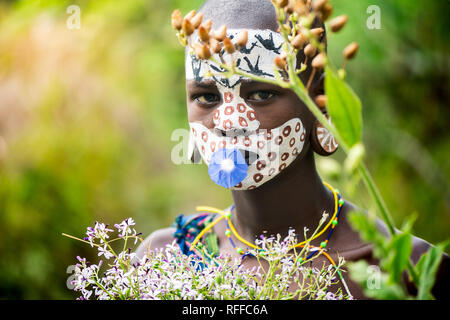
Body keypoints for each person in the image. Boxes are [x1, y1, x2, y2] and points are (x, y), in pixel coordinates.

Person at [136, 0, 449, 299]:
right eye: (206, 97)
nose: (229, 121)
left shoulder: (409, 270)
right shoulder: (165, 259)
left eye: (260, 93)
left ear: (322, 108)